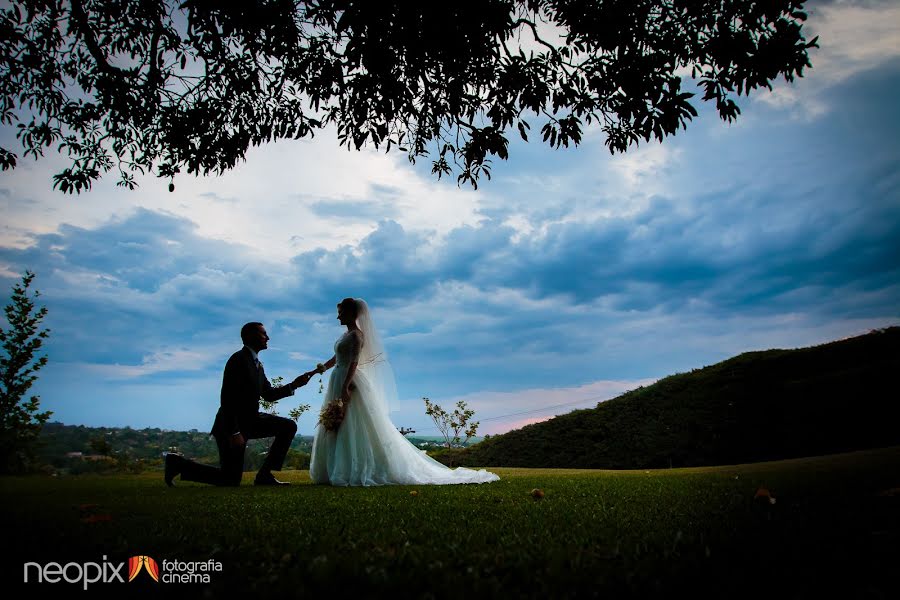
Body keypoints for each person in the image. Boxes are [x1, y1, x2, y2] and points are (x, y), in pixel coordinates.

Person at [309, 298, 499, 486]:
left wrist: (345, 386)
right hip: (336, 377)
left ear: (351, 313)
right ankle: (334, 467)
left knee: (351, 422)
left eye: (341, 312)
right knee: (336, 421)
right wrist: (320, 369)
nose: (338, 316)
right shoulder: (345, 336)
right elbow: (337, 357)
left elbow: (354, 362)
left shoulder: (357, 336)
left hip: (348, 381)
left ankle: (351, 469)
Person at [165, 322, 315, 487]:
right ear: (251, 336)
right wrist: (234, 432)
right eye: (263, 334)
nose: (268, 338)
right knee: (230, 478)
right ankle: (177, 464)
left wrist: (294, 385)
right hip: (230, 425)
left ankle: (265, 475)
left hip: (251, 421)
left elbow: (268, 395)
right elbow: (227, 399)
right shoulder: (238, 360)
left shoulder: (257, 365)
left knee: (288, 426)